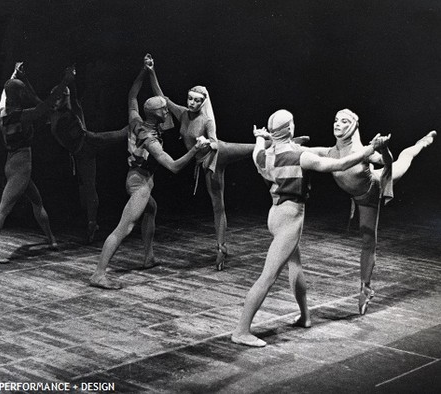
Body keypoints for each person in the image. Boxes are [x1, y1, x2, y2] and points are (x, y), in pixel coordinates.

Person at [230, 109, 389, 347]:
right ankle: (241, 330)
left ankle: (305, 316)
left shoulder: (262, 154)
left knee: (295, 264)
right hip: (290, 219)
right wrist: (369, 149)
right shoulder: (300, 156)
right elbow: (340, 163)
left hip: (274, 215)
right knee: (268, 277)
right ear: (289, 130)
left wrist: (260, 137)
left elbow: (259, 146)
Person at [89, 61, 210, 289]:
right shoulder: (150, 140)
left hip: (139, 178)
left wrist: (145, 72)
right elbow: (173, 167)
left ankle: (148, 257)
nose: (168, 111)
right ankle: (99, 273)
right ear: (157, 114)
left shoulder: (136, 119)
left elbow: (132, 95)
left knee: (151, 210)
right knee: (124, 227)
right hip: (139, 183)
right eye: (165, 110)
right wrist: (195, 151)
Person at [316, 109, 436, 315]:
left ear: (353, 126)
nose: (337, 124)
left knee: (404, 158)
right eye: (335, 120)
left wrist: (385, 148)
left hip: (374, 188)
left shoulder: (365, 151)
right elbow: (298, 151)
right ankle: (366, 286)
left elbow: (388, 163)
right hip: (359, 194)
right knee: (366, 238)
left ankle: (366, 287)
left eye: (344, 121)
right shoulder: (329, 152)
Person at [145, 54, 257, 271]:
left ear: (204, 102)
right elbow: (162, 98)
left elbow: (214, 143)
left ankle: (291, 145)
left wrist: (206, 142)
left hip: (215, 156)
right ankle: (221, 246)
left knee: (250, 153)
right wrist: (151, 71)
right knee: (218, 205)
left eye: (197, 100)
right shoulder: (183, 113)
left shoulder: (206, 119)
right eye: (190, 99)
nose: (193, 103)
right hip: (203, 161)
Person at [0, 63, 75, 263]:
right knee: (4, 208)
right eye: (22, 90)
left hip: (14, 164)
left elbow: (4, 96)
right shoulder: (21, 116)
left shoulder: (2, 115)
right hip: (20, 167)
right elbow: (47, 105)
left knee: (36, 201)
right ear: (18, 95)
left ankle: (51, 239)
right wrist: (65, 81)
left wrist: (17, 76)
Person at [49, 73, 128, 243]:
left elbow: (74, 96)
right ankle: (91, 222)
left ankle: (92, 223)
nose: (55, 101)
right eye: (54, 98)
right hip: (79, 153)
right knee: (86, 189)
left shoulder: (73, 109)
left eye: (59, 98)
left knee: (122, 134)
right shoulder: (54, 114)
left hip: (90, 142)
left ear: (64, 99)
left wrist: (71, 80)